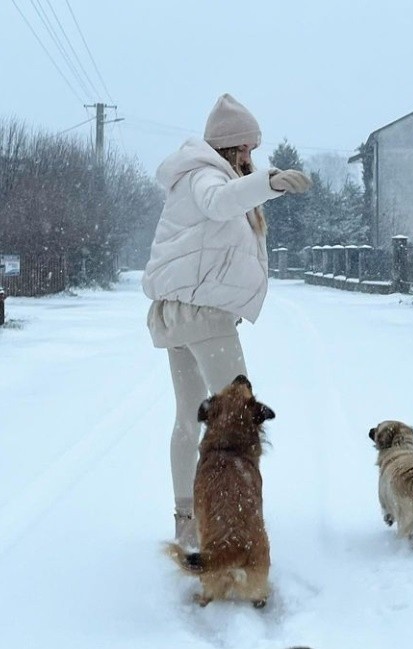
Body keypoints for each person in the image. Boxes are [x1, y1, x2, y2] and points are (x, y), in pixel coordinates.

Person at [142, 94, 311, 546]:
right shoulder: (204, 175)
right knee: (240, 420)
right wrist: (269, 182)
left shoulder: (194, 176)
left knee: (188, 419)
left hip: (180, 316)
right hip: (205, 318)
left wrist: (260, 185)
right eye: (247, 151)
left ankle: (188, 523)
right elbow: (221, 203)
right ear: (231, 148)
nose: (251, 159)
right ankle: (237, 523)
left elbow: (222, 213)